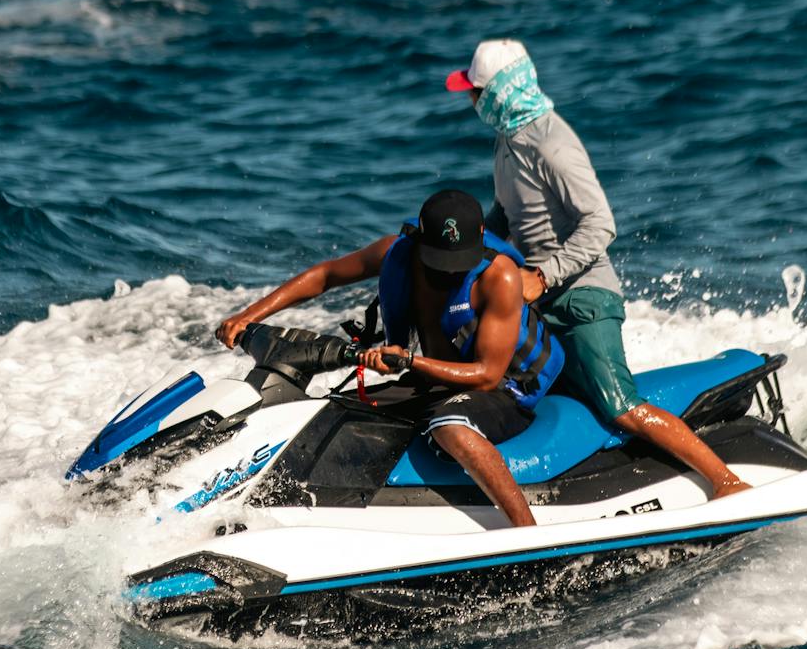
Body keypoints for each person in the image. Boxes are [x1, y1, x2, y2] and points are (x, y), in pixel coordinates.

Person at [446, 38, 751, 499]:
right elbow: (506, 218)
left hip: (584, 298)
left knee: (620, 406)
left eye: (477, 91)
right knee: (534, 397)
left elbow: (601, 224)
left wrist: (544, 275)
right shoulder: (507, 141)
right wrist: (459, 254)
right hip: (540, 299)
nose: (471, 100)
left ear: (500, 93)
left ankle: (726, 481)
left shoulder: (552, 144)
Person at [216, 189, 565, 527]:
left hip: (505, 389)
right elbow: (325, 276)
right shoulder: (397, 252)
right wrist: (249, 315)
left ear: (482, 234)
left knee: (451, 427)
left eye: (459, 260)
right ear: (421, 238)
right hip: (433, 380)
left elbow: (488, 375)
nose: (450, 271)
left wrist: (408, 362)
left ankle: (526, 531)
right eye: (440, 259)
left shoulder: (499, 276)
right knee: (329, 413)